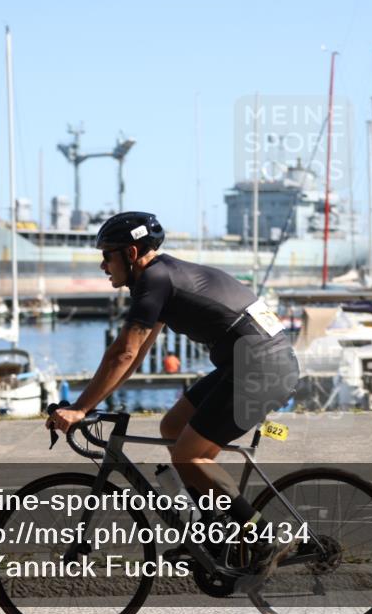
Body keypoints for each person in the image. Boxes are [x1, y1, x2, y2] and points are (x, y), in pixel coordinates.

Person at [48, 211, 299, 589]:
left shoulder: (155, 280)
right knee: (172, 428)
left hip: (261, 366)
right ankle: (212, 534)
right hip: (248, 362)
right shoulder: (161, 278)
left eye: (107, 256)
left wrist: (81, 408)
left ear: (131, 253)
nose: (103, 265)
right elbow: (135, 354)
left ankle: (263, 537)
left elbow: (123, 354)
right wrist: (89, 402)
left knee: (188, 454)